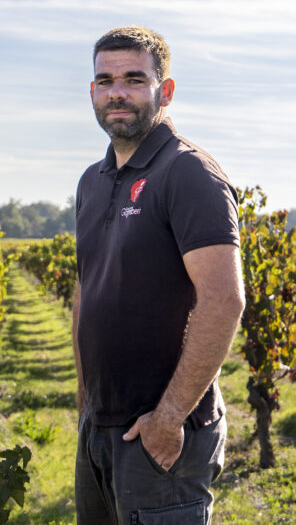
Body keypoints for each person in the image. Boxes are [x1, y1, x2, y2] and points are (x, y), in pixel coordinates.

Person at [73, 26, 245, 524]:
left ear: (165, 91)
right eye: (105, 81)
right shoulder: (91, 181)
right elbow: (87, 291)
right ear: (92, 93)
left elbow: (223, 300)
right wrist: (86, 402)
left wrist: (168, 419)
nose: (117, 93)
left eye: (133, 79)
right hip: (100, 428)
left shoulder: (188, 172)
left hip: (161, 434)